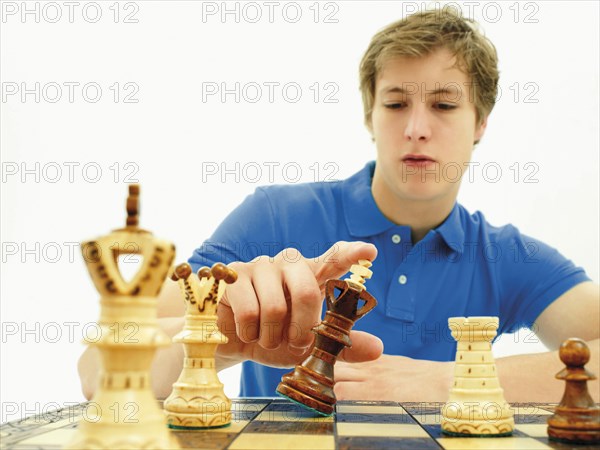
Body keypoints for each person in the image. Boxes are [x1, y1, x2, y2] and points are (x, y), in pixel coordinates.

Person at [79, 9, 599, 403]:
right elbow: (97, 371)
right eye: (396, 103)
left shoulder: (509, 258)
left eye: (443, 104)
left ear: (481, 122)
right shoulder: (273, 217)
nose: (417, 126)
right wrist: (222, 338)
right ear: (370, 116)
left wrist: (447, 380)